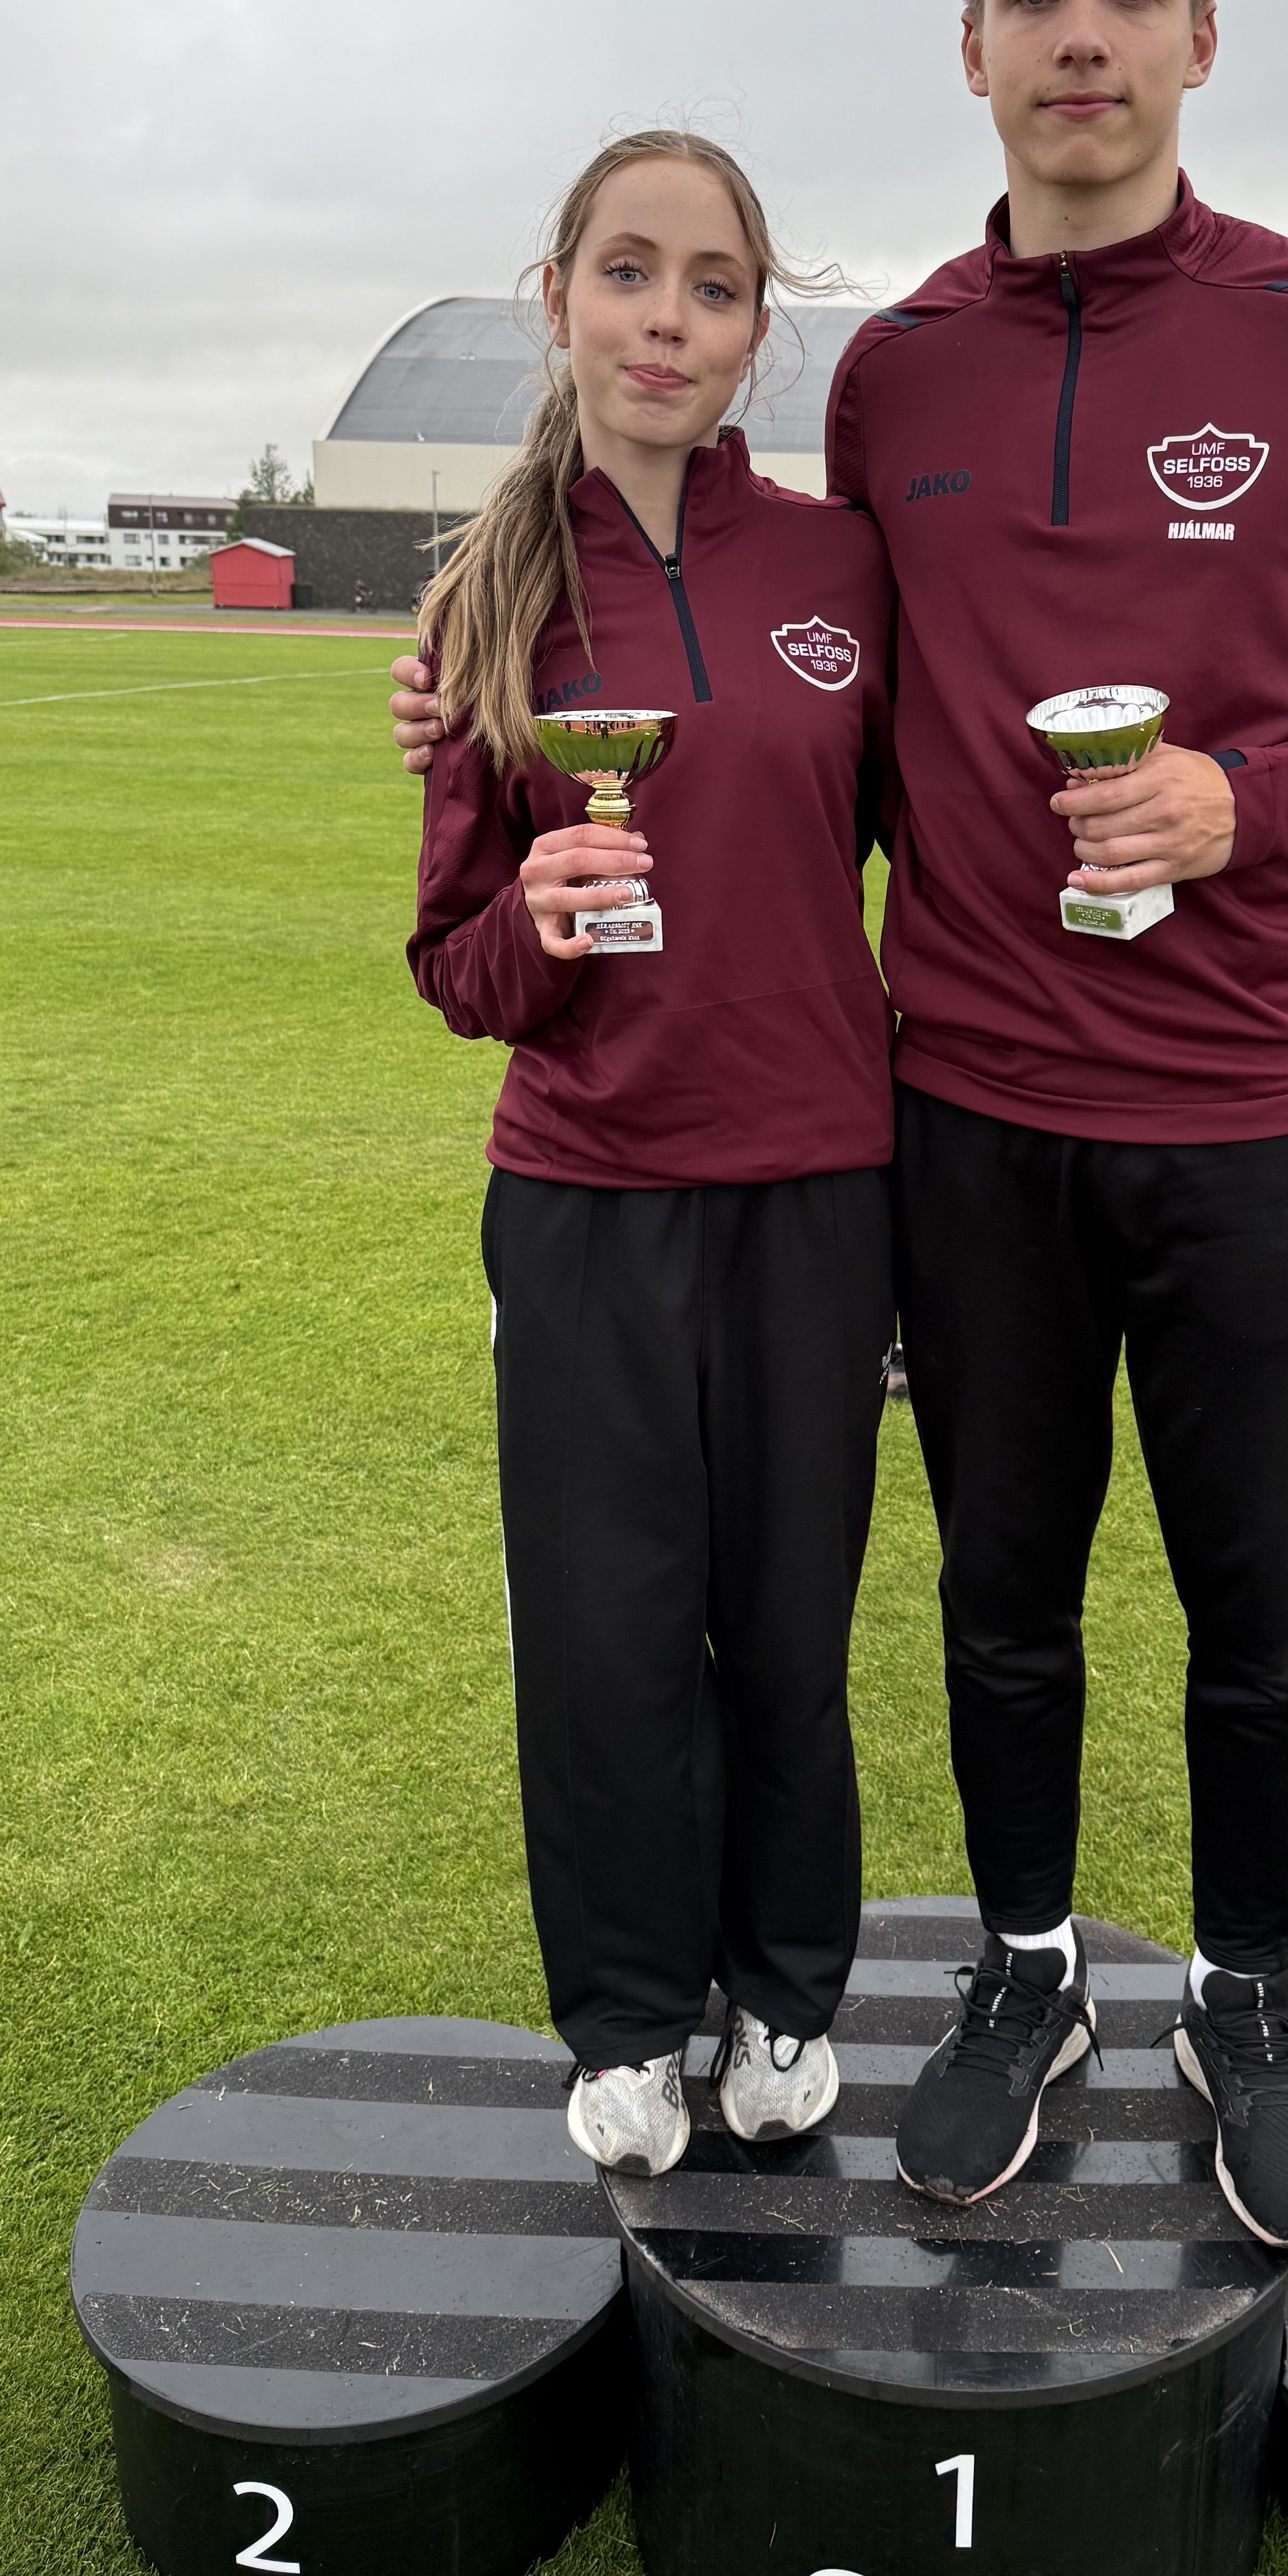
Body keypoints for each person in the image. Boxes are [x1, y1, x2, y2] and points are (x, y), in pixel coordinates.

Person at [393, 0, 1288, 2252]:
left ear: (1201, 34)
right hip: (957, 1118)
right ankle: (1025, 1976)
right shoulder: (903, 376)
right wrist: (490, 721)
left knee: (1260, 1620)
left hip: (1247, 1106)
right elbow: (815, 734)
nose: (1082, 35)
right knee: (997, 1603)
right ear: (969, 42)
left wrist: (1256, 803)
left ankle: (1242, 1996)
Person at [408, 128, 896, 2180]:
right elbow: (453, 962)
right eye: (627, 272)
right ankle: (624, 2016)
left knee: (787, 1628)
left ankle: (781, 1989)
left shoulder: (843, 571)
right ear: (559, 299)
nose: (665, 318)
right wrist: (536, 919)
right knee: (607, 1639)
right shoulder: (488, 593)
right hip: (587, 1199)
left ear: (756, 327)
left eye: (710, 284)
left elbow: (935, 840)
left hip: (816, 1190)